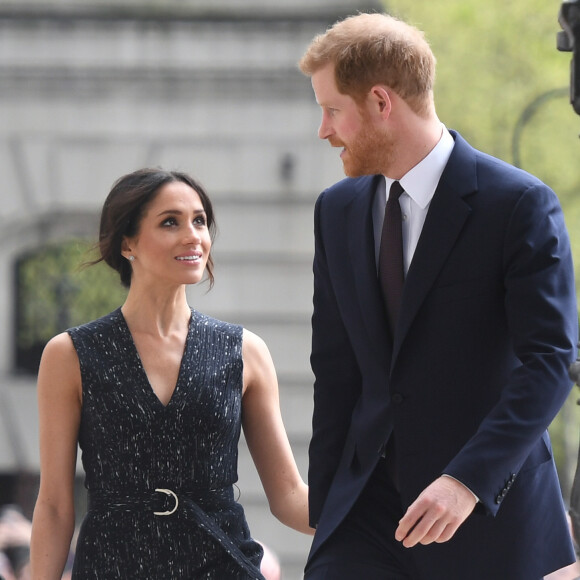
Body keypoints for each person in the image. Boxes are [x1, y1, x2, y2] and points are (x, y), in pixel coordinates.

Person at [298, 12, 578, 580]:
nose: (323, 130)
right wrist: (327, 511)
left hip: (487, 516)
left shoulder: (518, 205)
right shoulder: (337, 210)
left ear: (381, 102)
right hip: (366, 517)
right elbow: (336, 369)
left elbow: (549, 361)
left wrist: (466, 481)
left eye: (332, 110)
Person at [29, 168, 313, 579]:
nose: (193, 235)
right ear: (128, 242)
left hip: (222, 566)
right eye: (170, 222)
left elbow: (289, 496)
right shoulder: (71, 355)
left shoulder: (245, 351)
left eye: (199, 220)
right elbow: (54, 506)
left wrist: (383, 515)